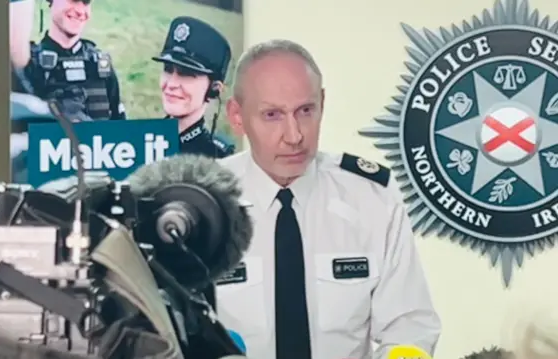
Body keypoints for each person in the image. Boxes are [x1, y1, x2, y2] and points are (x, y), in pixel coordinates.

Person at [216, 39, 441, 359]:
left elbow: (409, 325)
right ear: (237, 116)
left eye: (305, 111)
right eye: (272, 115)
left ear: (322, 103)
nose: (294, 136)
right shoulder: (204, 206)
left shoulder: (371, 199)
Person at [24, 0, 125, 120]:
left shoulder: (99, 64)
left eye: (86, 2)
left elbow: (120, 131)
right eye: (73, 1)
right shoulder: (30, 64)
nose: (80, 11)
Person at [152, 16, 235, 159]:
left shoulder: (219, 158)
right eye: (168, 69)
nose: (171, 84)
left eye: (186, 74)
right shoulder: (136, 142)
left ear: (214, 88)